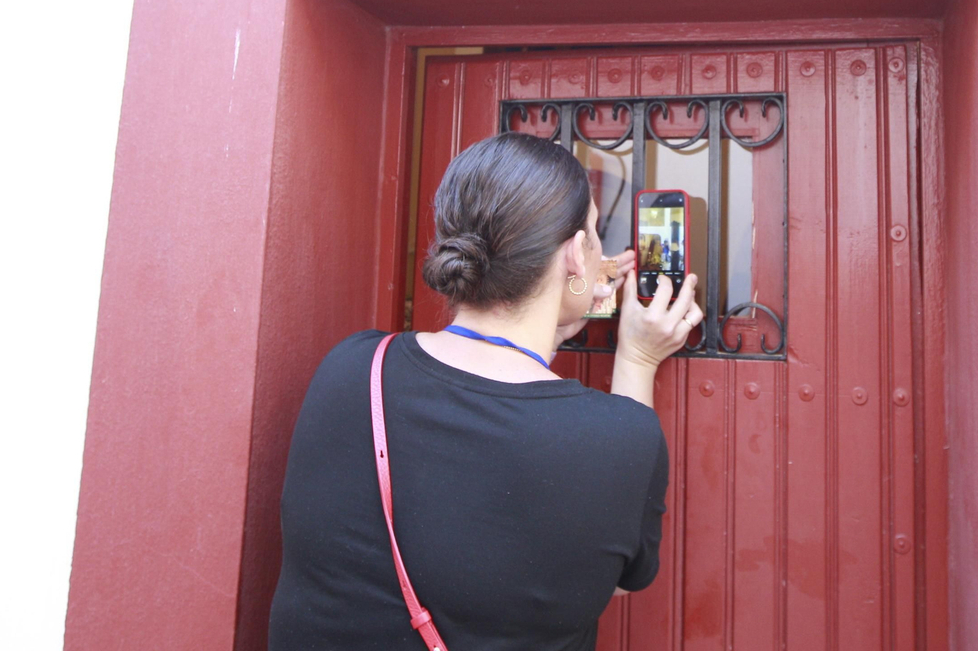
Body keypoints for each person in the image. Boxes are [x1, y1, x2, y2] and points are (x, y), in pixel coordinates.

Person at [268, 131, 704, 651]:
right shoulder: (617, 438)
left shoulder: (352, 367)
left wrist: (546, 335)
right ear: (574, 256)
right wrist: (637, 359)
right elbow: (615, 577)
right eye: (593, 232)